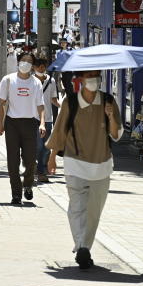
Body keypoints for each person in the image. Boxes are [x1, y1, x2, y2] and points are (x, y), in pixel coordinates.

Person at [45, 69, 120, 269]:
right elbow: (60, 131)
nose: (93, 80)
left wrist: (111, 116)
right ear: (81, 80)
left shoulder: (108, 101)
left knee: (94, 211)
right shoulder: (71, 102)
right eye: (89, 76)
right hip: (74, 163)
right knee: (77, 207)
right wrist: (52, 158)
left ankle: (85, 246)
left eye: (97, 76)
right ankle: (81, 246)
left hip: (101, 165)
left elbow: (116, 135)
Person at [0, 52, 46, 205]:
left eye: (29, 61)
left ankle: (28, 185)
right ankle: (16, 194)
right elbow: (1, 103)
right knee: (13, 161)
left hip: (30, 124)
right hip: (12, 124)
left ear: (33, 65)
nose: (25, 63)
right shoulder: (8, 80)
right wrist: (0, 122)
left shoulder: (36, 83)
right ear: (18, 62)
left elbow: (40, 105)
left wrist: (42, 123)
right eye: (23, 60)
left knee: (30, 161)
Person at [33, 58, 57, 184]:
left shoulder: (51, 81)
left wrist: (61, 105)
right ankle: (40, 170)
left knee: (47, 147)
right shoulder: (30, 81)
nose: (41, 69)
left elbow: (53, 99)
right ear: (34, 68)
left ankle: (40, 168)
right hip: (34, 118)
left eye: (43, 66)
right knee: (38, 146)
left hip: (48, 119)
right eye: (38, 67)